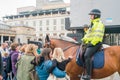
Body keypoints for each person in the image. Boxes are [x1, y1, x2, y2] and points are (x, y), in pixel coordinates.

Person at [81, 9, 105, 80]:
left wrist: (91, 43)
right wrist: (82, 40)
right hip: (91, 43)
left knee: (87, 55)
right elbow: (88, 34)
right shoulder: (92, 24)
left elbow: (98, 36)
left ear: (96, 15)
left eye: (91, 15)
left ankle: (88, 75)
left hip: (96, 43)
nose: (90, 16)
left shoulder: (99, 24)